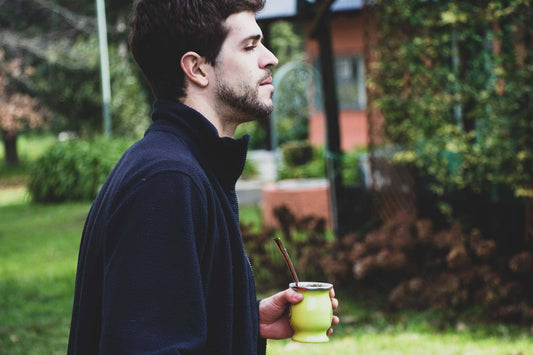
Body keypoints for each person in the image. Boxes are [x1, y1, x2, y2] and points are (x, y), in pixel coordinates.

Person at [67, 0, 339, 354]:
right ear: (197, 68)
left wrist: (242, 322)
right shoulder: (168, 180)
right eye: (250, 45)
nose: (270, 57)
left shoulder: (186, 167)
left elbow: (162, 322)